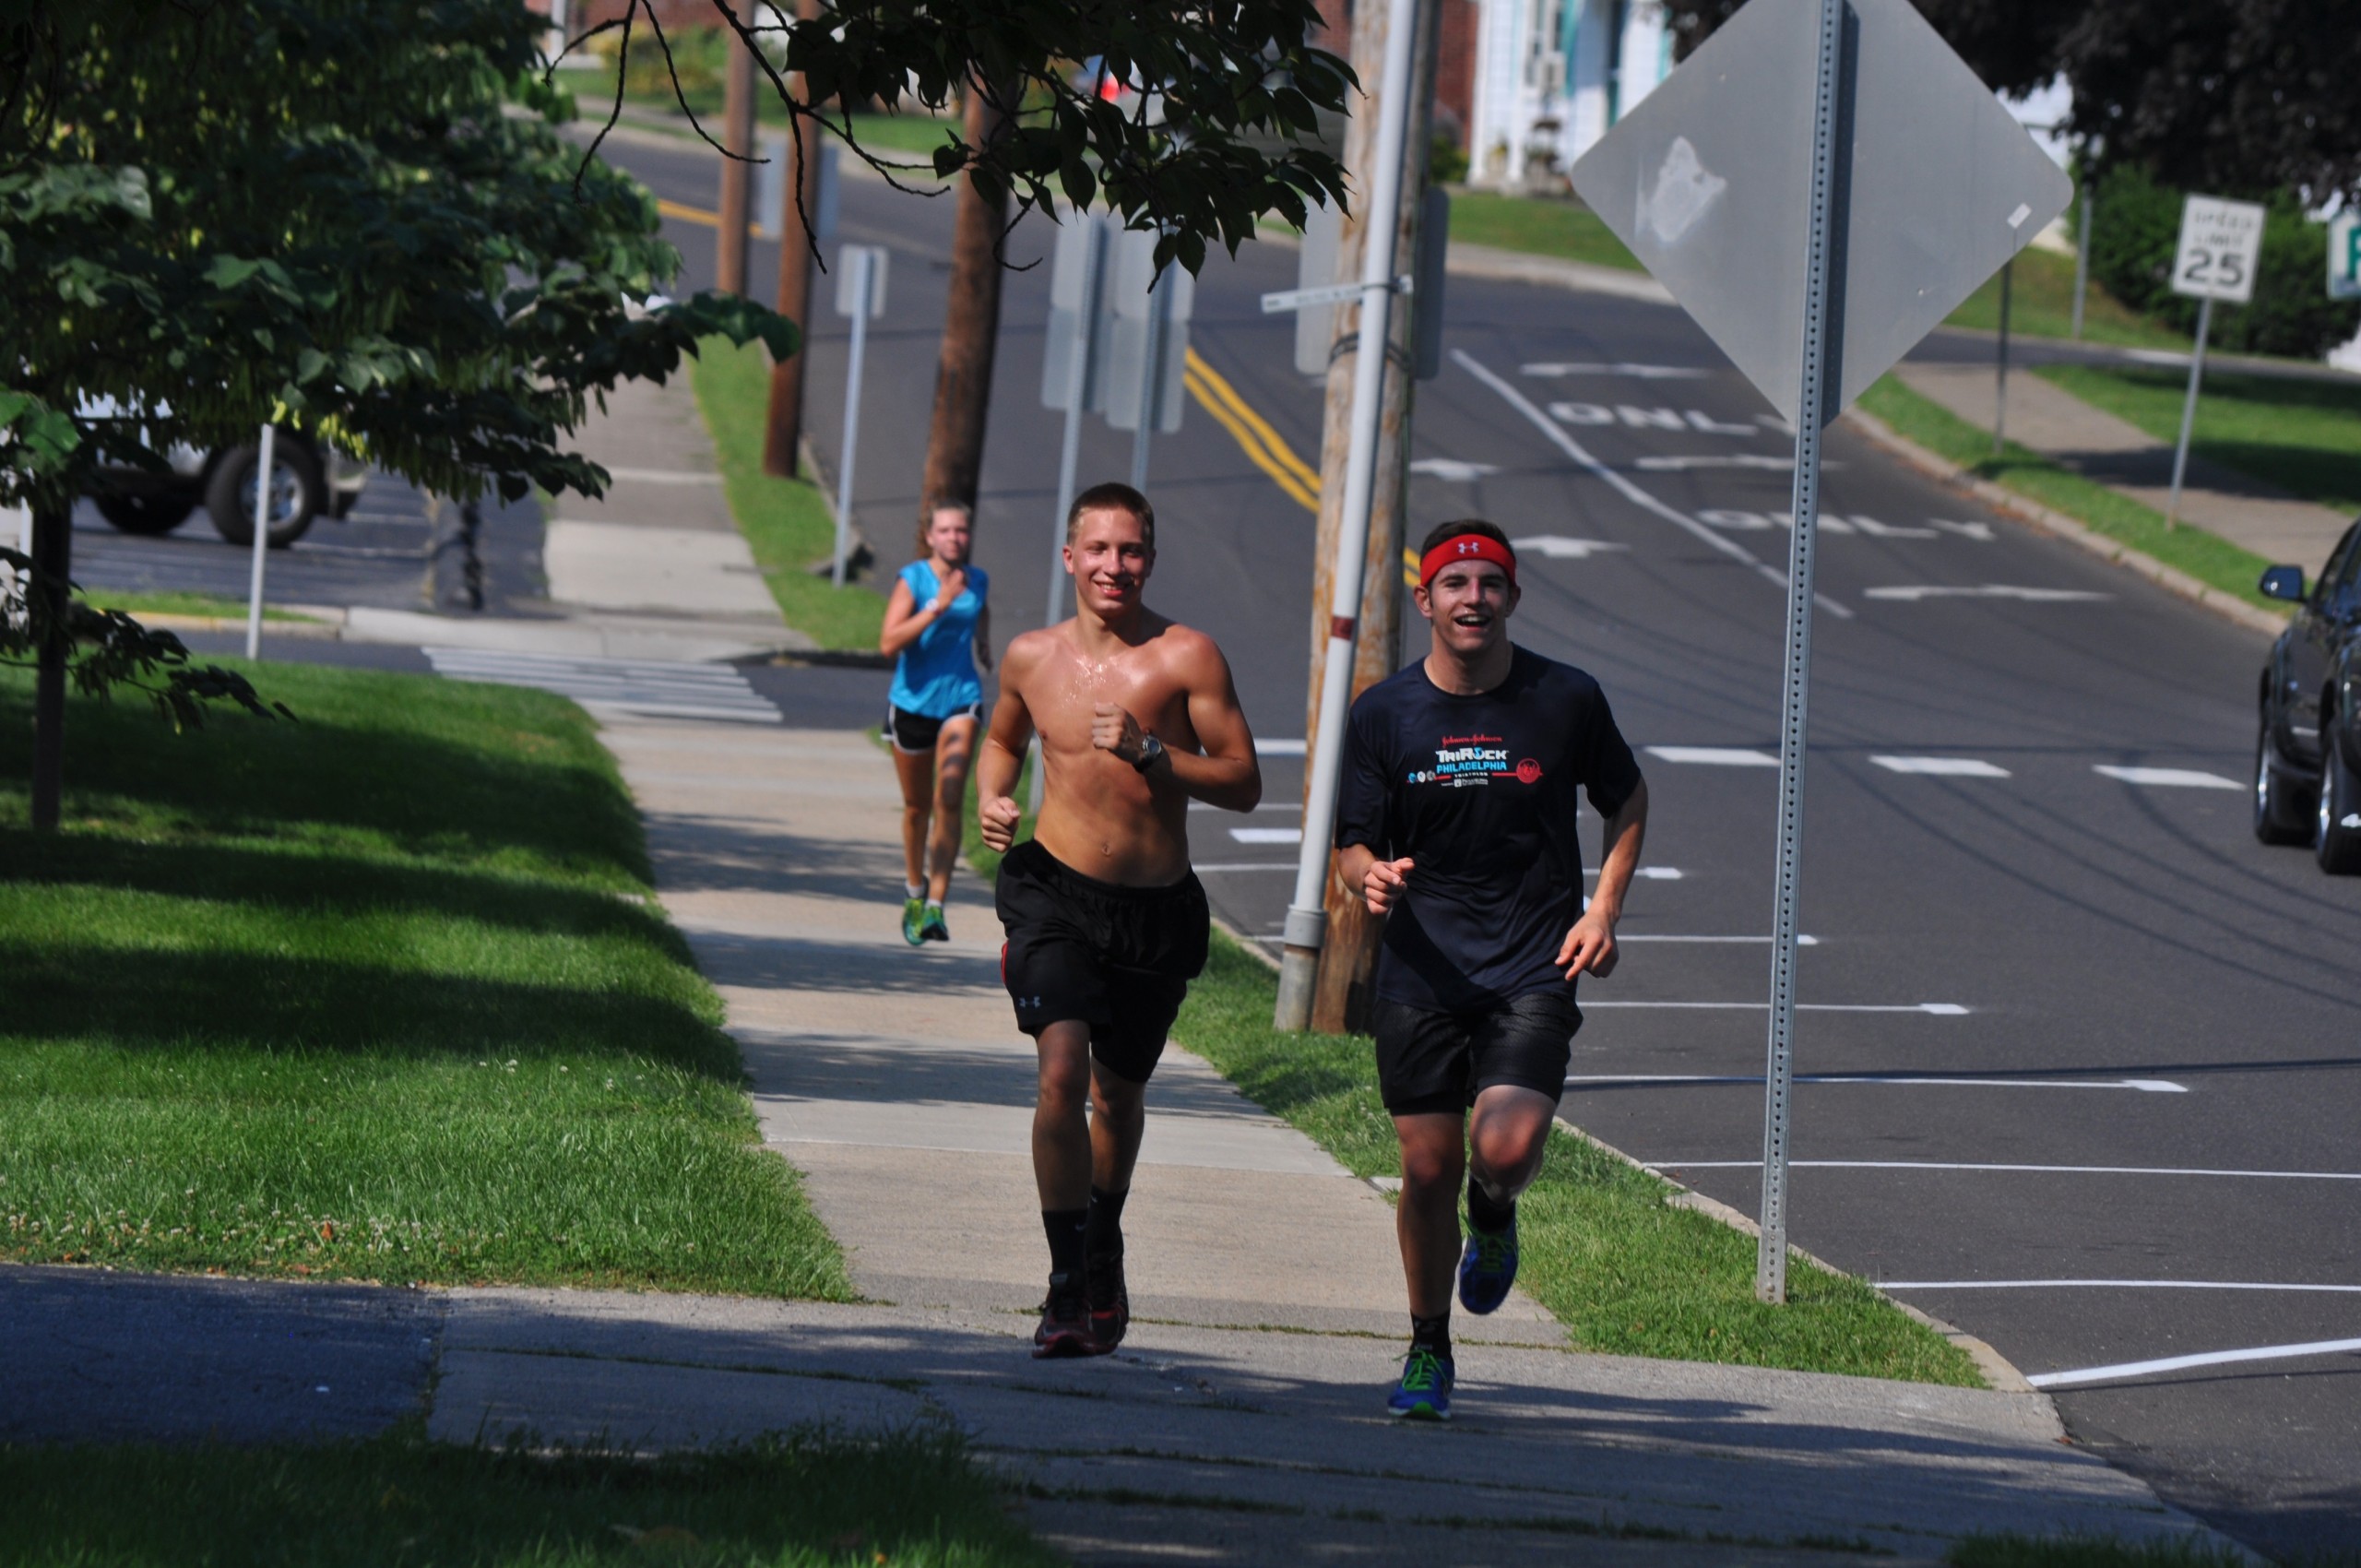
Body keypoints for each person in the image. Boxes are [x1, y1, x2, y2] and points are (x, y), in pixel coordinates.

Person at [1335, 519, 1649, 1420]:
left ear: (1512, 596)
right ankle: (1428, 1346)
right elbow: (1352, 841)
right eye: (1455, 583)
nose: (1473, 597)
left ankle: (1497, 1207)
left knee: (1501, 1146)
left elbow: (1625, 795)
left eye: (1490, 582)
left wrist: (1604, 908)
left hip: (1530, 961)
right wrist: (1371, 875)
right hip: (1421, 972)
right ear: (1425, 599)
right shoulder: (1384, 713)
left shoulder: (1564, 698)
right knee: (1425, 1171)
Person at [976, 482, 1262, 1357]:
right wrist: (993, 796)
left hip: (1153, 911)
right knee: (1062, 1075)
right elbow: (1002, 741)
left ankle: (1104, 1238)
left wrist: (1153, 751)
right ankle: (1064, 1286)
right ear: (1069, 558)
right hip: (1052, 890)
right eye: (1097, 550)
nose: (1114, 566)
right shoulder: (1030, 657)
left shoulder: (1187, 658)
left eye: (1130, 550)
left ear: (1150, 558)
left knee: (1116, 1093)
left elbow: (1244, 781)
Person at [880, 501, 992, 946]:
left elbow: (980, 610)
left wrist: (983, 643)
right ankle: (914, 889)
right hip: (911, 704)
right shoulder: (914, 580)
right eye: (944, 531)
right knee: (917, 808)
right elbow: (889, 642)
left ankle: (936, 906)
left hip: (961, 700)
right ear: (930, 536)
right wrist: (937, 607)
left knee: (949, 797)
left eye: (961, 531)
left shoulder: (977, 579)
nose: (953, 538)